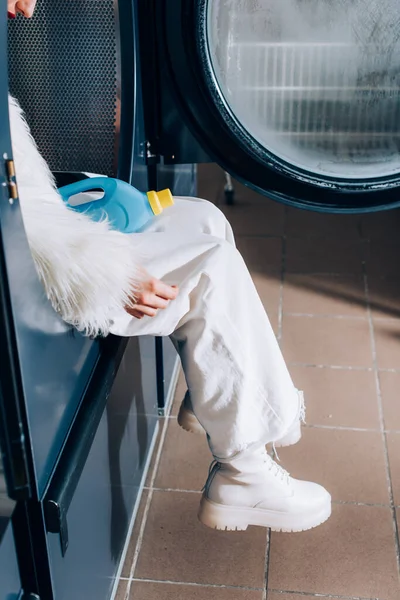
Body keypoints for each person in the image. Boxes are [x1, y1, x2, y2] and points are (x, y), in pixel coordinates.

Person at [6, 0, 331, 532]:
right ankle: (243, 471)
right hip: (30, 270)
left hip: (40, 233)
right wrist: (98, 269)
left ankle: (217, 402)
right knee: (207, 262)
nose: (29, 7)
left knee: (204, 221)